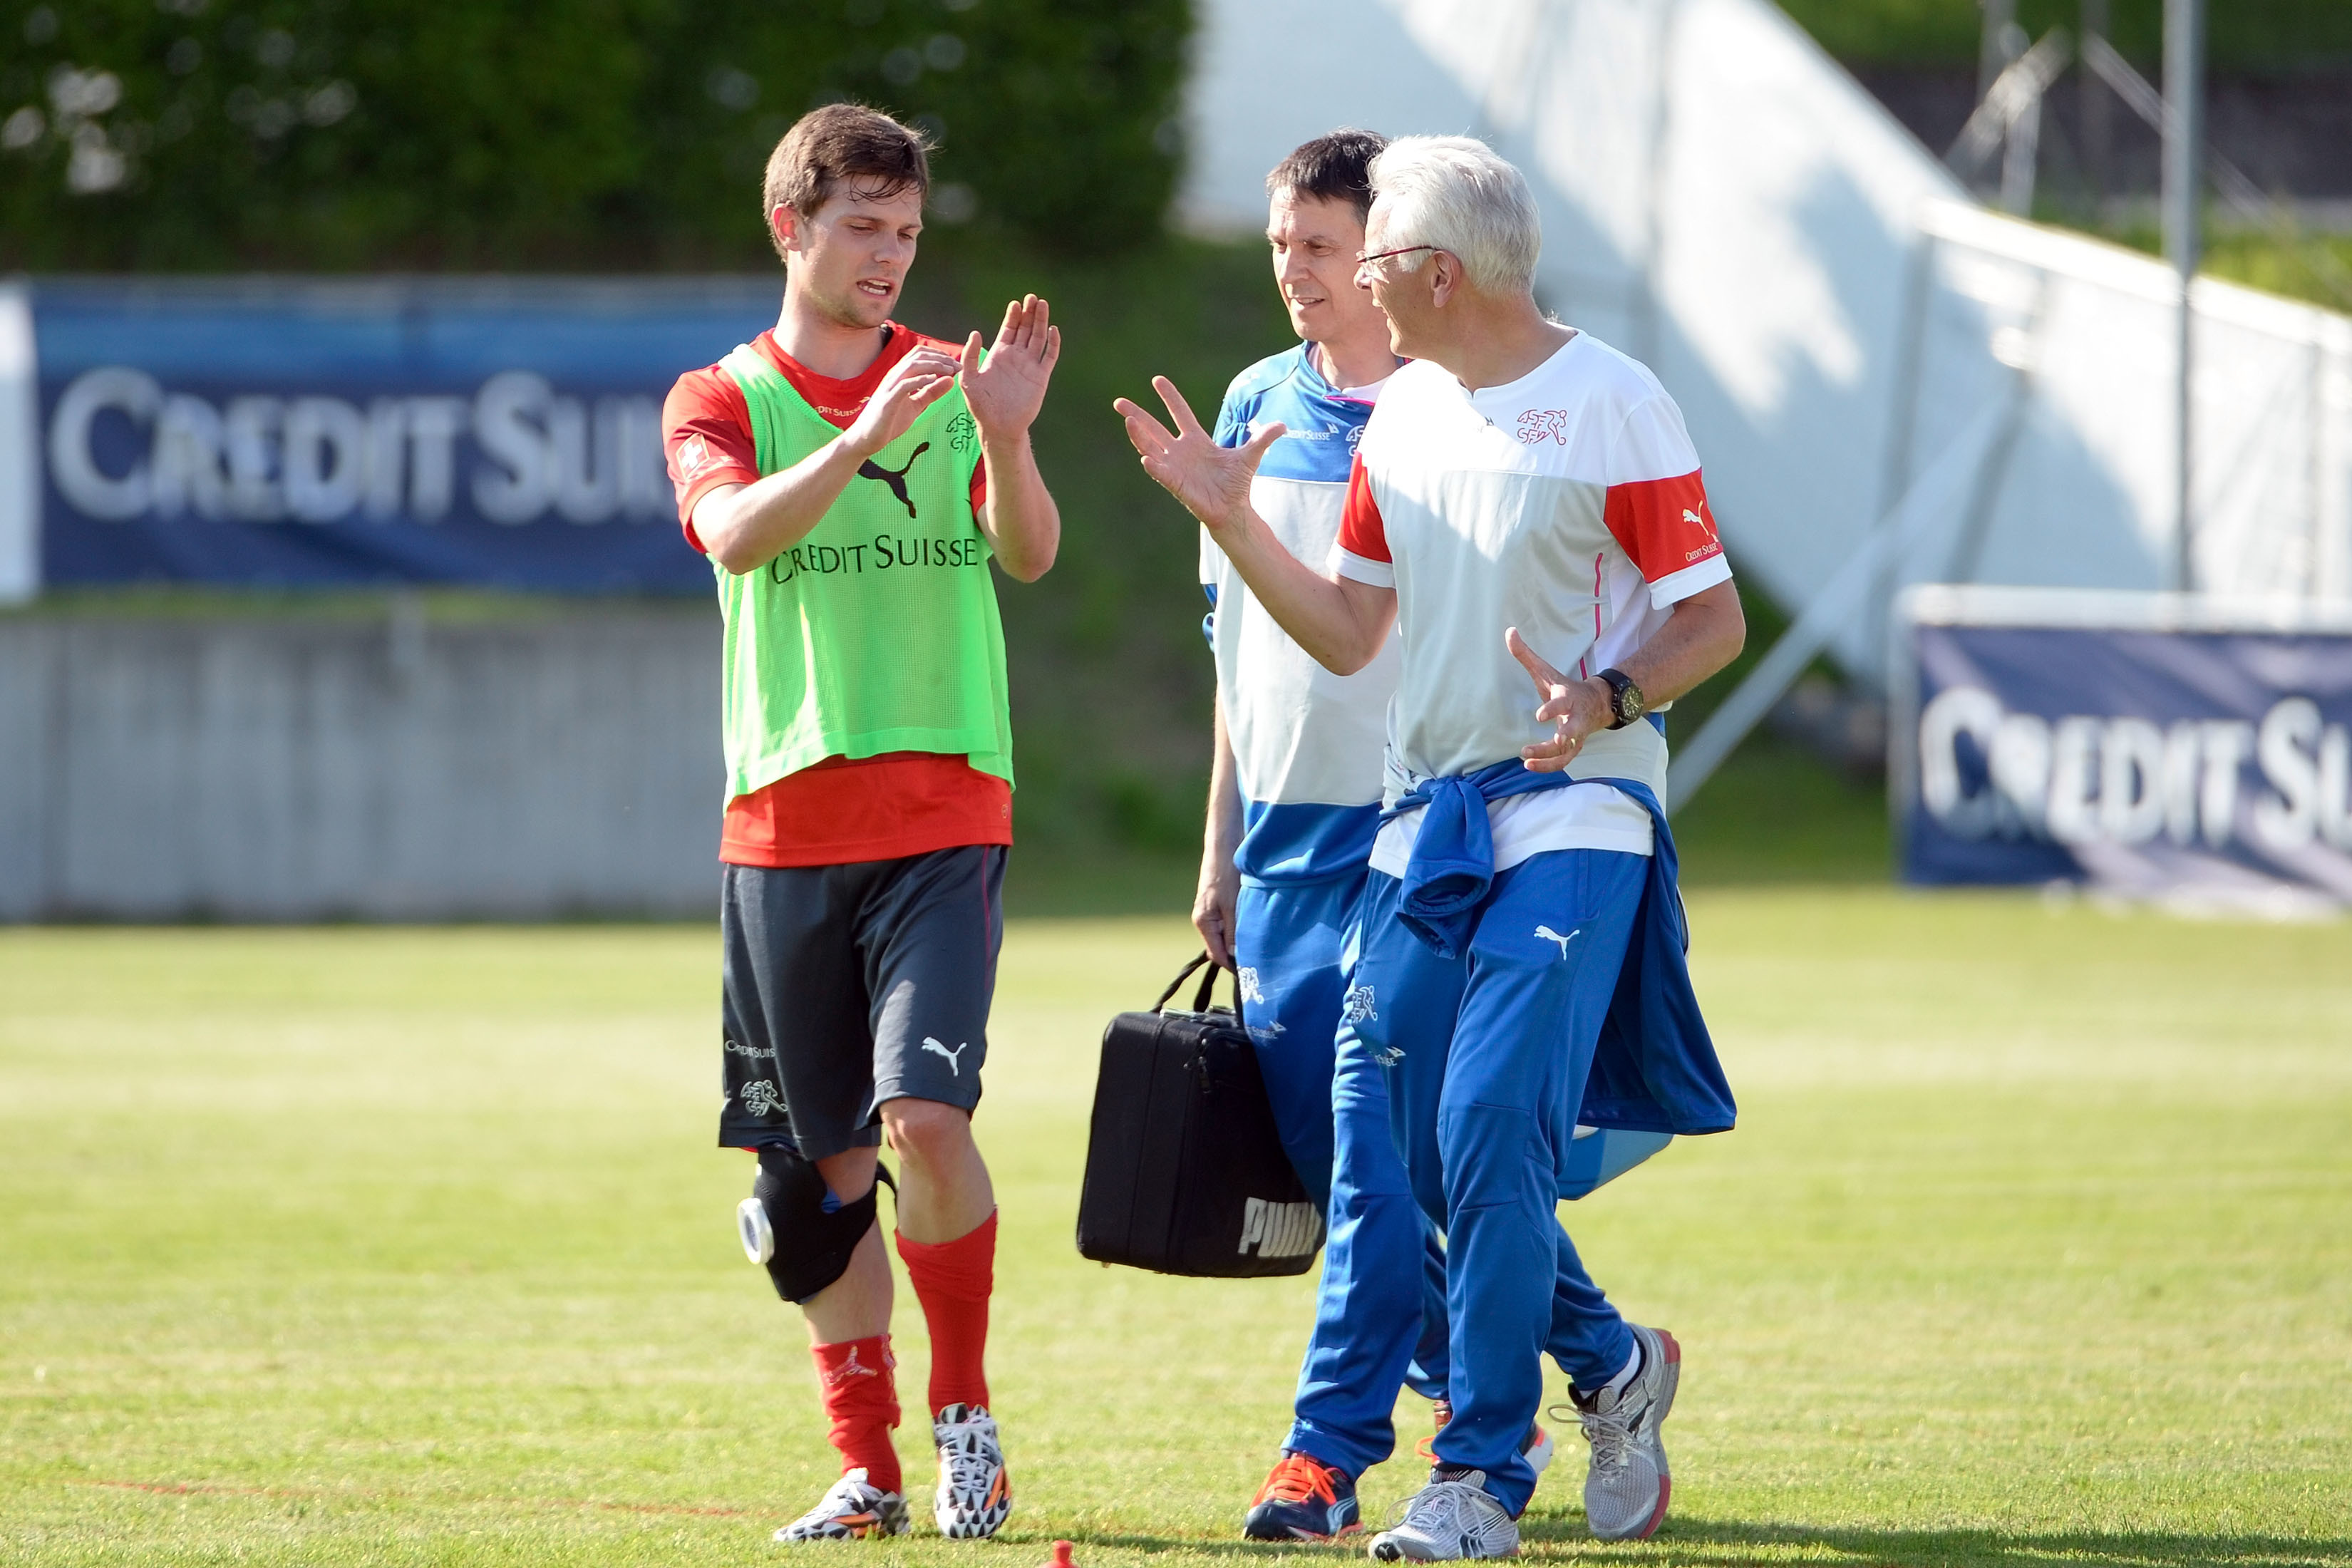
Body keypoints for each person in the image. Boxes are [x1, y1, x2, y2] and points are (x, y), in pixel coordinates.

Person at [1117, 135, 1743, 1558]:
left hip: (1578, 810)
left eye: (1371, 255)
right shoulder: (1398, 418)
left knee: (1484, 1127)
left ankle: (1472, 1480)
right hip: (1426, 821)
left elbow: (1708, 618)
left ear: (1435, 272)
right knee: (1380, 1144)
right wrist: (1232, 522)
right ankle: (1588, 1378)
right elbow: (1348, 628)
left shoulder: (1614, 403)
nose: (1345, 281)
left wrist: (1610, 695)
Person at [661, 103, 1061, 1544]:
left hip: (943, 805)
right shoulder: (716, 395)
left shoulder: (954, 383)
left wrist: (1006, 442)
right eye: (864, 228)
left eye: (907, 230)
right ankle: (868, 1464)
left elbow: (1027, 552)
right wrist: (855, 441)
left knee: (927, 1117)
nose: (892, 256)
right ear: (794, 228)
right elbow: (731, 532)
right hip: (780, 826)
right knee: (818, 1183)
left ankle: (967, 1424)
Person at [1195, 128, 1500, 1546]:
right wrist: (1218, 845)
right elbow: (1233, 654)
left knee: (1383, 1151)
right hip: (1279, 848)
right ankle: (1607, 1357)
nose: (1293, 275)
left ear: (1382, 258)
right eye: (1279, 247)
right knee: (1351, 1162)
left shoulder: (1453, 413)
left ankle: (1327, 1454)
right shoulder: (1253, 399)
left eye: (1319, 249)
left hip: (1407, 833)